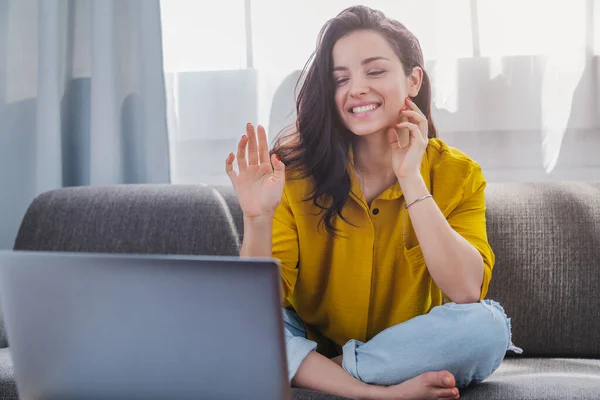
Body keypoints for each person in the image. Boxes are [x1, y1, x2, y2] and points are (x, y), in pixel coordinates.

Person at [225, 5, 521, 400]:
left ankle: (322, 373)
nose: (357, 88)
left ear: (413, 79)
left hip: (396, 349)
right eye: (340, 79)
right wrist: (257, 217)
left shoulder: (458, 174)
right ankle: (373, 389)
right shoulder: (293, 174)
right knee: (245, 326)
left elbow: (467, 291)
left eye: (375, 71)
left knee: (487, 328)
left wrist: (411, 179)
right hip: (314, 337)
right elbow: (257, 309)